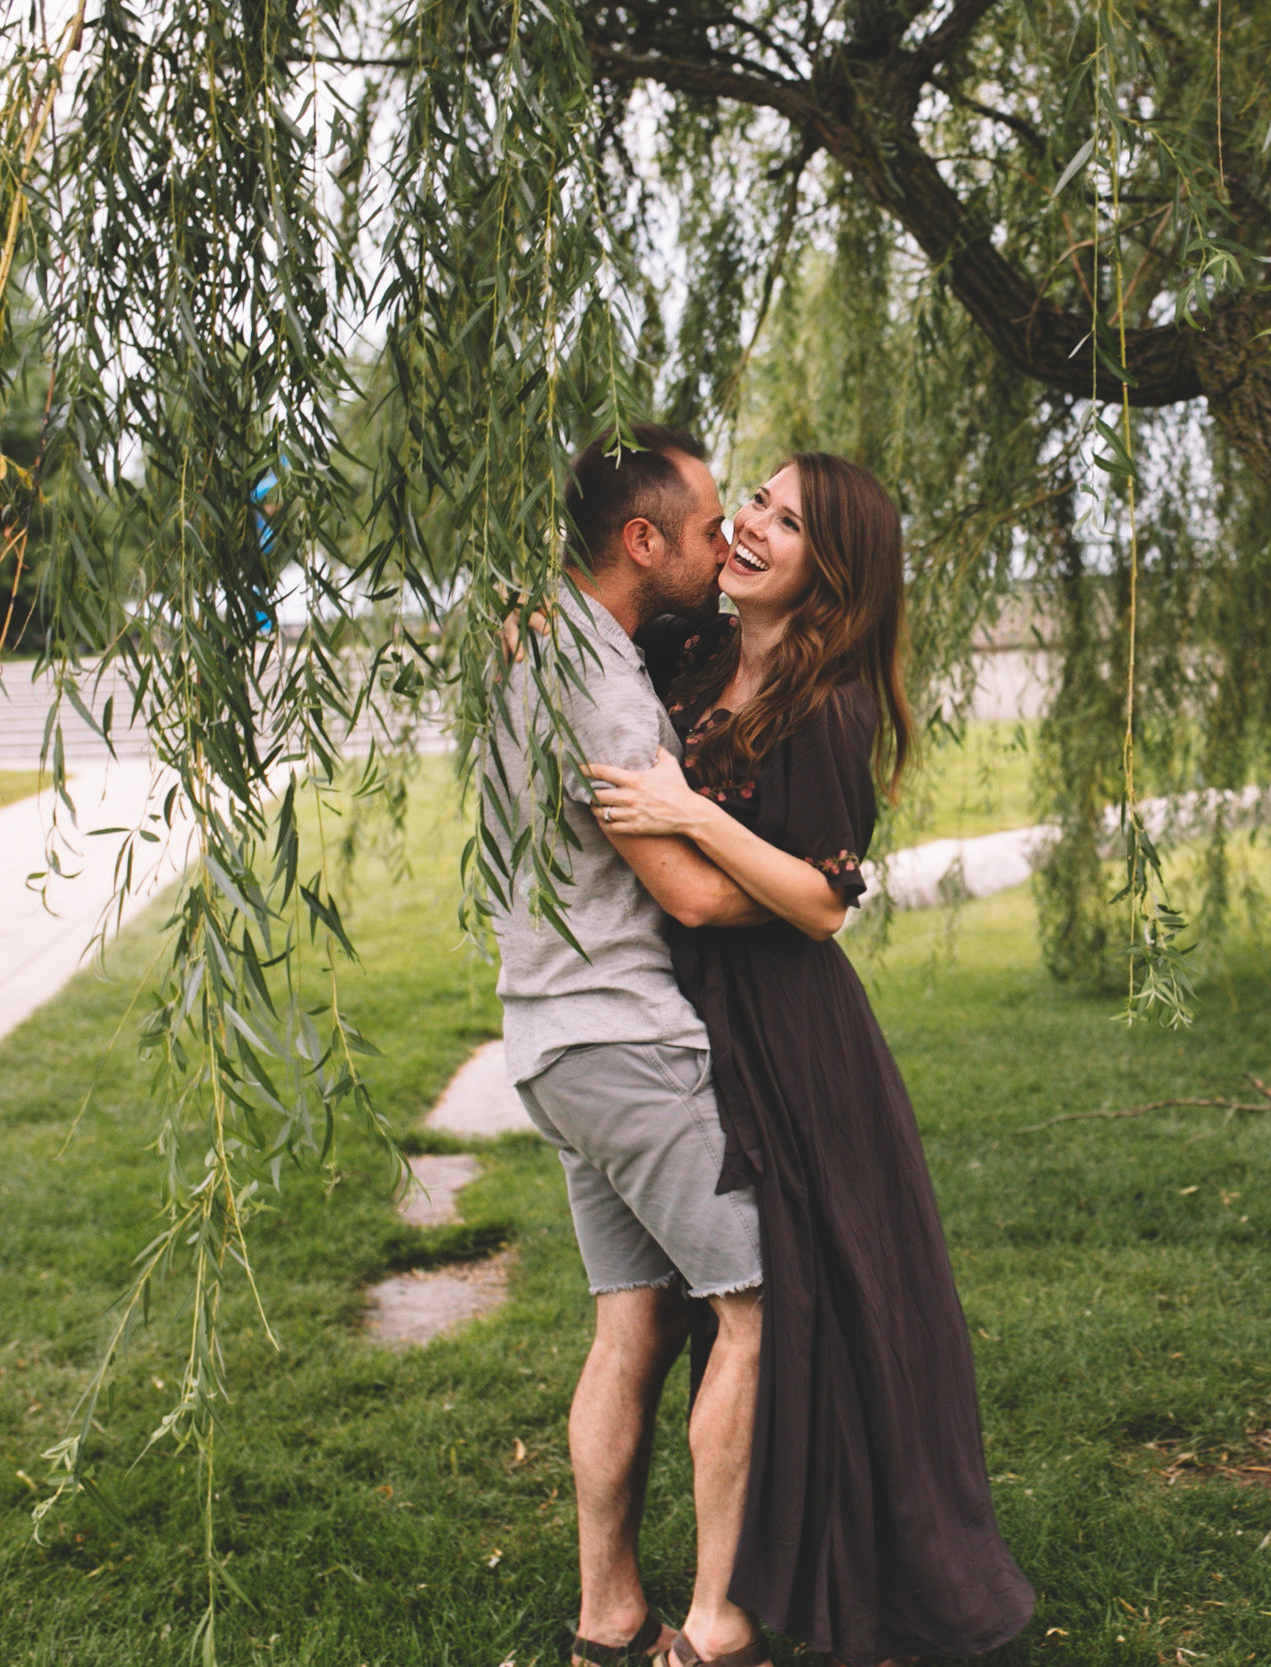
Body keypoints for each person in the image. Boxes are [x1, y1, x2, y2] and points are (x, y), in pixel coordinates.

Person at [585, 452, 1035, 1667]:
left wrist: (692, 813)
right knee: (690, 1310)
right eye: (754, 503)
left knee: (802, 1301)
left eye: (785, 521)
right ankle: (664, 1594)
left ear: (829, 567)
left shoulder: (827, 702)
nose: (748, 527)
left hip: (787, 1029)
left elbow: (825, 901)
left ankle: (777, 1591)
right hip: (683, 1008)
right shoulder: (690, 653)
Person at [485, 425, 774, 1667]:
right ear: (641, 540)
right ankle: (715, 1622)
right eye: (710, 524)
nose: (727, 544)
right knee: (755, 1308)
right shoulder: (599, 684)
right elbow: (696, 895)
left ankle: (607, 1614)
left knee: (633, 1323)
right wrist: (823, 888)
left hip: (546, 1035)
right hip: (625, 1039)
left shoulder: (539, 639)